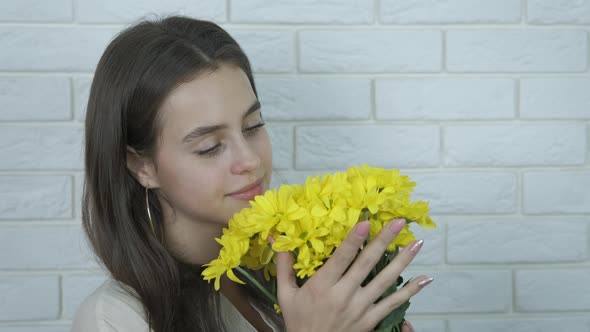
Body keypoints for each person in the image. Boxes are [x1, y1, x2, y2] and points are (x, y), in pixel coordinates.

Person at [71, 15, 433, 332]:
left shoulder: (291, 272)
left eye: (253, 126)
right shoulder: (116, 319)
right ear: (142, 166)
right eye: (210, 146)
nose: (250, 160)